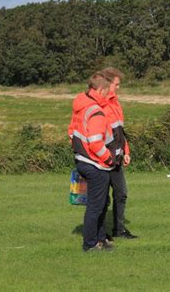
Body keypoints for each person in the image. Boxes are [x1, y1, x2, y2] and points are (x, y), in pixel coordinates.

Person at [68, 73, 116, 252]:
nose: (107, 96)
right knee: (96, 206)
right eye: (106, 92)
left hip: (84, 160)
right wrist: (109, 158)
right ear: (101, 90)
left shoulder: (81, 106)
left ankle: (101, 239)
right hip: (95, 164)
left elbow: (72, 133)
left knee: (102, 203)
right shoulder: (95, 111)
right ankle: (90, 244)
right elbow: (96, 142)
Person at [99, 67, 137, 239]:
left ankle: (119, 230)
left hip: (117, 158)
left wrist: (126, 151)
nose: (118, 88)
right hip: (101, 159)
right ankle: (101, 233)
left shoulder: (116, 103)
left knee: (121, 193)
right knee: (102, 198)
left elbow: (120, 132)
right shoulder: (99, 105)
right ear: (107, 83)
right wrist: (104, 156)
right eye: (116, 84)